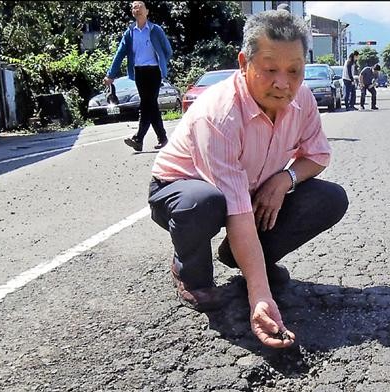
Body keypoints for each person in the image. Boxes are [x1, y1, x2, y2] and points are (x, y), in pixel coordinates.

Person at [148, 9, 348, 349]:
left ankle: (244, 258)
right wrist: (260, 298)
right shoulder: (219, 113)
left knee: (329, 198)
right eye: (270, 70)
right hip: (182, 191)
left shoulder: (301, 100)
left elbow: (317, 156)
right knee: (206, 203)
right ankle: (190, 271)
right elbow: (236, 210)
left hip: (251, 188)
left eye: (294, 71)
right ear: (244, 62)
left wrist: (284, 179)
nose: (283, 84)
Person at [104, 1, 173, 152]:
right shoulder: (130, 33)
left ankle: (138, 138)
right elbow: (120, 53)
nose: (137, 10)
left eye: (140, 7)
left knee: (146, 104)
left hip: (154, 72)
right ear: (132, 12)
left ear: (147, 11)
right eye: (134, 7)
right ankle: (162, 138)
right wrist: (110, 74)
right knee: (150, 105)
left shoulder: (156, 30)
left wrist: (161, 64)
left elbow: (168, 51)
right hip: (139, 72)